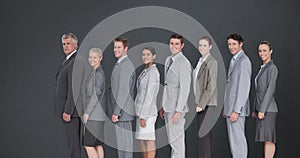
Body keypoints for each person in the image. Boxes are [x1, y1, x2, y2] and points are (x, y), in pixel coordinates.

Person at [159, 33, 192, 158]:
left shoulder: (183, 63)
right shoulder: (168, 60)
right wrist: (162, 105)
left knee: (177, 143)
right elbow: (167, 85)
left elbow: (185, 89)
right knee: (172, 142)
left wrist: (178, 110)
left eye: (177, 44)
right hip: (168, 107)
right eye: (172, 43)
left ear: (182, 46)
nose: (174, 46)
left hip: (176, 110)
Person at [223, 33, 251, 158]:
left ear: (241, 44)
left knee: (238, 142)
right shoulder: (234, 60)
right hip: (231, 109)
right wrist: (226, 107)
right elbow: (230, 86)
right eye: (229, 44)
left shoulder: (244, 61)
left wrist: (236, 110)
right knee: (234, 144)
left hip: (236, 111)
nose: (231, 47)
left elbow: (243, 88)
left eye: (234, 44)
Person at [54, 33, 82, 158]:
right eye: (64, 44)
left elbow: (74, 89)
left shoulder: (76, 61)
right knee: (72, 144)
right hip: (68, 110)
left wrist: (68, 110)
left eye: (68, 43)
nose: (65, 46)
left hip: (71, 112)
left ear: (75, 44)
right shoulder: (68, 60)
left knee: (73, 145)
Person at [252, 41, 278, 158]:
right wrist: (255, 109)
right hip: (262, 109)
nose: (262, 53)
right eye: (260, 51)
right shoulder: (263, 68)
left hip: (269, 109)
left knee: (269, 139)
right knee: (265, 139)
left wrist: (262, 110)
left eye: (264, 51)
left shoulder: (272, 68)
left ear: (271, 51)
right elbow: (258, 91)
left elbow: (270, 90)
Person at [110, 37, 135, 158]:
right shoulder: (120, 63)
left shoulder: (126, 65)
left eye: (119, 47)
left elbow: (123, 91)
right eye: (115, 47)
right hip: (121, 113)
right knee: (122, 146)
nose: (116, 50)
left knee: (126, 146)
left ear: (126, 48)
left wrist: (116, 112)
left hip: (123, 113)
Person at [194, 36, 218, 158]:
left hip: (207, 104)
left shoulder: (212, 62)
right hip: (200, 104)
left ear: (210, 47)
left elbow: (211, 85)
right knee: (202, 136)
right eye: (200, 45)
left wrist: (201, 104)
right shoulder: (200, 61)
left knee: (205, 136)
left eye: (204, 45)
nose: (202, 47)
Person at [135, 47, 160, 158]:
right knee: (142, 140)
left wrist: (144, 116)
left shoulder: (153, 72)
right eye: (143, 54)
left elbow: (150, 95)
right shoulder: (146, 70)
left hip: (147, 113)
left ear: (153, 56)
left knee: (148, 140)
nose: (145, 57)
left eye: (148, 54)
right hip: (141, 111)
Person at [82, 48, 106, 158]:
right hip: (98, 116)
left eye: (94, 57)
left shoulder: (99, 74)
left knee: (88, 145)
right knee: (97, 145)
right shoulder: (95, 73)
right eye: (90, 57)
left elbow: (95, 95)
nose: (91, 59)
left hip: (94, 116)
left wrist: (87, 113)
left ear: (100, 58)